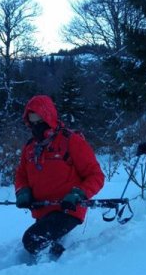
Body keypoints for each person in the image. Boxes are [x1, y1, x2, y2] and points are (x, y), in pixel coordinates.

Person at [14, 95, 104, 259]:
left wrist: (79, 194)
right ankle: (57, 253)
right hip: (43, 210)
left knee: (32, 240)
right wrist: (22, 191)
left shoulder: (71, 142)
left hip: (68, 209)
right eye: (31, 123)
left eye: (39, 122)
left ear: (48, 118)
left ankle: (64, 263)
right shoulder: (30, 147)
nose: (35, 127)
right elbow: (21, 175)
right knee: (36, 238)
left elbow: (96, 175)